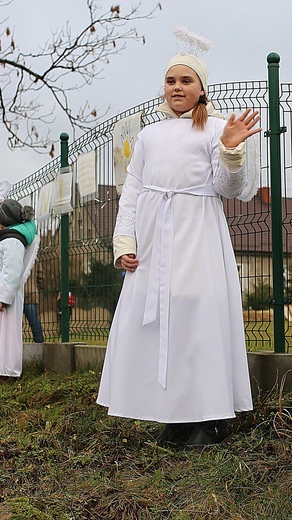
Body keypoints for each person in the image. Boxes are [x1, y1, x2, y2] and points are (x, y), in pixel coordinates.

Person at [97, 53, 262, 448]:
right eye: (171, 80)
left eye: (186, 80)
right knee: (160, 324)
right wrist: (125, 242)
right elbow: (132, 192)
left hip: (197, 235)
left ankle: (212, 416)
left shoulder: (217, 128)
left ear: (201, 88)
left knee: (198, 319)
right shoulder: (149, 136)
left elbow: (227, 188)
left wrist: (230, 150)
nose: (177, 87)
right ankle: (175, 414)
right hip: (154, 242)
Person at [0, 198, 39, 390]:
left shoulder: (13, 241)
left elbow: (12, 272)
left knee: (5, 336)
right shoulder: (7, 240)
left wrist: (3, 298)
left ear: (3, 219)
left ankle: (5, 373)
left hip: (2, 301)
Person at [23, 264, 44, 343]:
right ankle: (39, 342)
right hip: (31, 292)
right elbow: (40, 275)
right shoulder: (34, 257)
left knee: (15, 322)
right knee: (34, 321)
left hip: (17, 294)